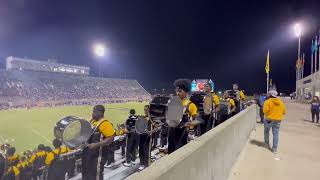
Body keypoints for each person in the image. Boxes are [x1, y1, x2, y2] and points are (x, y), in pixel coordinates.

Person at [81, 105, 115, 180]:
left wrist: (96, 145)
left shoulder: (105, 123)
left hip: (97, 156)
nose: (92, 113)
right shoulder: (92, 121)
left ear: (100, 113)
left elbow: (111, 138)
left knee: (95, 175)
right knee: (86, 173)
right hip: (88, 154)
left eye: (94, 111)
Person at [168, 79, 199, 154]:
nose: (177, 93)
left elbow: (196, 120)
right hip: (172, 132)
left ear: (186, 92)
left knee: (180, 153)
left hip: (183, 134)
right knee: (171, 153)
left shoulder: (191, 105)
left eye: (180, 91)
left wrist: (190, 125)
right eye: (177, 91)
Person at [263, 89, 286, 154]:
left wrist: (269, 115)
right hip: (278, 120)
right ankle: (274, 149)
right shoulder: (281, 102)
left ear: (270, 95)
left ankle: (266, 144)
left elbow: (265, 111)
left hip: (269, 120)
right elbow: (284, 112)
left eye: (268, 94)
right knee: (276, 134)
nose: (267, 95)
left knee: (266, 131)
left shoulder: (267, 102)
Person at [137, 105, 157, 171]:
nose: (145, 111)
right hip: (142, 136)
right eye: (144, 110)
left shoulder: (153, 118)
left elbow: (158, 127)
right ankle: (142, 164)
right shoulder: (143, 117)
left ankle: (147, 165)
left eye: (146, 110)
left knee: (146, 151)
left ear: (149, 110)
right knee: (141, 150)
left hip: (149, 137)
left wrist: (150, 132)